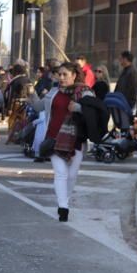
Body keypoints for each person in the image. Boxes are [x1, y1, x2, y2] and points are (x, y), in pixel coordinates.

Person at [38, 62, 105, 221]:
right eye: (59, 74)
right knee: (61, 173)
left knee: (72, 175)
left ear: (74, 75)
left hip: (76, 140)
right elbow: (39, 107)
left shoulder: (84, 92)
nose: (61, 78)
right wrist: (31, 97)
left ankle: (65, 200)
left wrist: (79, 108)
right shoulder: (53, 92)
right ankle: (63, 207)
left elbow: (96, 111)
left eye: (64, 75)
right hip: (54, 139)